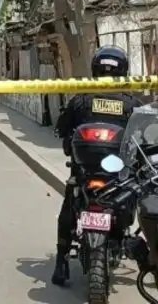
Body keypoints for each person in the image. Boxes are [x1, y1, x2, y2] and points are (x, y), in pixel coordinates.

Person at [51, 45, 144, 286]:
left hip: (85, 171)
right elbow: (143, 135)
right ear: (123, 71)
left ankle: (61, 262)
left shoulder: (81, 99)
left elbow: (61, 128)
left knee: (69, 205)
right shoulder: (132, 103)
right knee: (139, 197)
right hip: (118, 175)